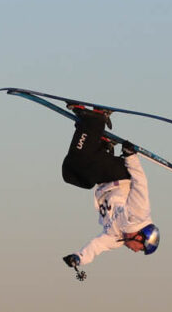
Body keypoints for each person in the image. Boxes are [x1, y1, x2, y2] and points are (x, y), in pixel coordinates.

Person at [59, 108, 160, 273]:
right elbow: (140, 183)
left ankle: (101, 142)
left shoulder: (116, 238)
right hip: (118, 175)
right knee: (82, 161)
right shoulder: (138, 215)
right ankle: (97, 118)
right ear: (141, 236)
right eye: (140, 248)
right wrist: (130, 157)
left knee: (71, 174)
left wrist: (79, 258)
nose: (135, 251)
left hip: (103, 182)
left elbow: (97, 246)